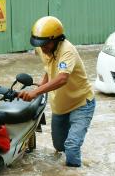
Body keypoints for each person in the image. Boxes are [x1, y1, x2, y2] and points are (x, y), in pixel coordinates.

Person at [18, 16, 95, 167]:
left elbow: (62, 79)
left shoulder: (67, 51)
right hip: (60, 106)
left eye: (45, 44)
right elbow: (49, 67)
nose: (42, 48)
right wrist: (42, 84)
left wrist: (36, 92)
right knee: (59, 146)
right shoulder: (42, 49)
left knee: (72, 146)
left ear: (57, 39)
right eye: (39, 44)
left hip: (81, 104)